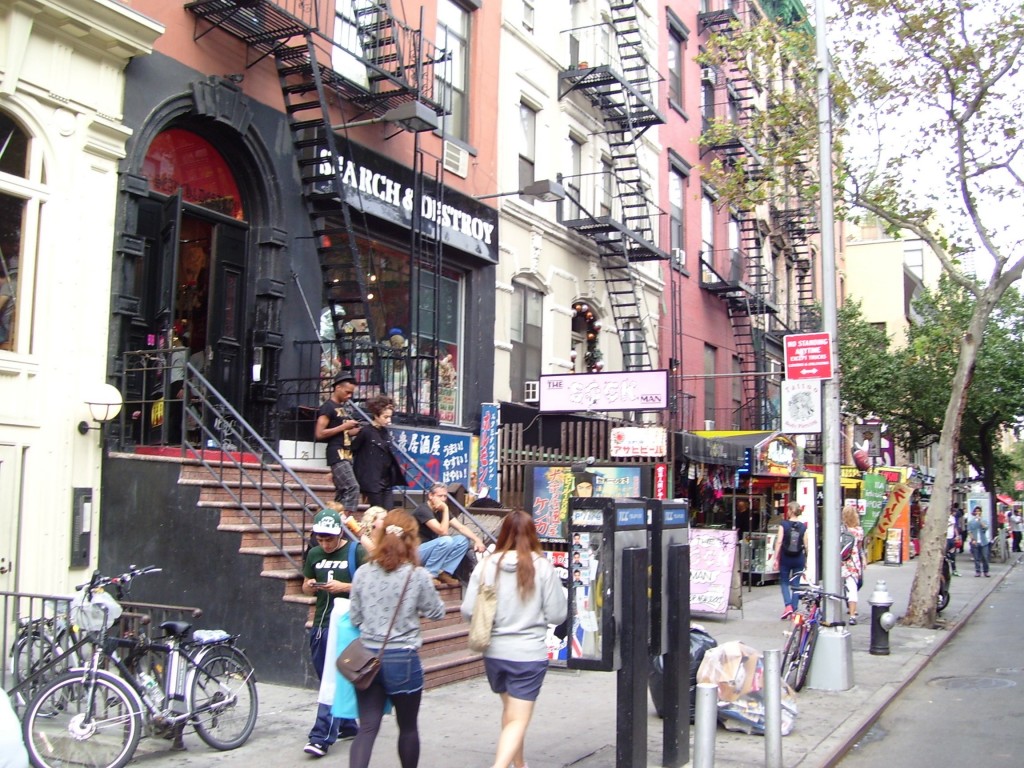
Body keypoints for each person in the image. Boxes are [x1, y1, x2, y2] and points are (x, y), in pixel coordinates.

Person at [460, 510, 568, 768]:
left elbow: (467, 610)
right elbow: (557, 614)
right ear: (533, 534)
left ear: (502, 533)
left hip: (494, 652)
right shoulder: (541, 567)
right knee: (518, 719)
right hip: (528, 654)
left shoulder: (487, 565)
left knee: (511, 715)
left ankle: (519, 764)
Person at [348, 510, 445, 768]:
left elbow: (355, 618)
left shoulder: (363, 573)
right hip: (403, 657)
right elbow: (437, 612)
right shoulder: (417, 575)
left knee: (367, 728)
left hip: (367, 658)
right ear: (412, 540)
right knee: (408, 728)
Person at [301, 509, 362, 757]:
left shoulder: (356, 551)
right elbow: (305, 587)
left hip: (346, 625)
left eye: (330, 539)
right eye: (321, 539)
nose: (325, 544)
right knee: (324, 674)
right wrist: (310, 586)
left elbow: (372, 583)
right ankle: (347, 723)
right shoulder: (314, 554)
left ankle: (321, 736)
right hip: (321, 623)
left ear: (339, 534)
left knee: (332, 681)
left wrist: (344, 586)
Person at [413, 481, 485, 587]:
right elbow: (443, 531)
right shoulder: (423, 510)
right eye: (439, 496)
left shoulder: (441, 510)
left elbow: (460, 527)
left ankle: (445, 572)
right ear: (430, 496)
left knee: (463, 540)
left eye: (445, 496)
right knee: (446, 540)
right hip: (416, 551)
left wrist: (477, 540)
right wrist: (446, 509)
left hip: (432, 550)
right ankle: (429, 575)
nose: (443, 499)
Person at [316, 371, 362, 512]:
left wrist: (357, 429)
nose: (349, 396)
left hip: (346, 453)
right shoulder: (328, 407)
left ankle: (334, 518)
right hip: (336, 453)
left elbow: (346, 431)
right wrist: (344, 426)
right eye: (347, 392)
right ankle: (345, 522)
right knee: (352, 487)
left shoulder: (343, 408)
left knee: (343, 491)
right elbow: (319, 433)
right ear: (338, 388)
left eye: (351, 393)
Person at [351, 395, 406, 509]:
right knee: (377, 513)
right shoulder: (366, 432)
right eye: (385, 417)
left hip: (386, 479)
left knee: (389, 512)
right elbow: (353, 450)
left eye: (390, 417)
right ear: (376, 415)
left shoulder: (385, 432)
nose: (388, 421)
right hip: (372, 480)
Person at [773, 501, 807, 619]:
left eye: (788, 510)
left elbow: (779, 541)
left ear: (791, 511)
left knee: (784, 582)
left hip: (786, 557)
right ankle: (794, 610)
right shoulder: (803, 526)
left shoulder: (784, 524)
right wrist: (806, 559)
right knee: (796, 584)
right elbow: (806, 544)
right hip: (799, 558)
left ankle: (788, 606)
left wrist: (775, 557)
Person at [840, 505, 865, 624]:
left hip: (839, 561)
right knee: (853, 588)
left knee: (835, 586)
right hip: (853, 561)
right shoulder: (859, 531)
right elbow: (859, 548)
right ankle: (852, 615)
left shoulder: (840, 529)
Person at [967, 505, 991, 577]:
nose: (978, 512)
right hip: (975, 541)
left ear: (981, 512)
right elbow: (969, 531)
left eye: (979, 511)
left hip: (984, 542)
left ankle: (986, 571)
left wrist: (980, 520)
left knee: (985, 557)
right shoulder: (971, 522)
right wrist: (973, 540)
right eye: (976, 511)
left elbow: (986, 527)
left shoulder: (984, 520)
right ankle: (978, 571)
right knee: (976, 558)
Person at [946, 508, 961, 576]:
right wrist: (949, 524)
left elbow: (954, 527)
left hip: (951, 538)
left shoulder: (953, 518)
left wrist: (957, 535)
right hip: (945, 538)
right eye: (954, 512)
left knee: (953, 555)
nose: (955, 514)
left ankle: (954, 570)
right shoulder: (945, 518)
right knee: (945, 554)